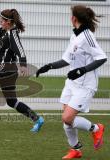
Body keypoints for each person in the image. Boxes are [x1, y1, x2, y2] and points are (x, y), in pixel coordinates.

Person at [36, 5, 107, 159]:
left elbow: (102, 57)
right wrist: (48, 66)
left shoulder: (87, 36)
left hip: (85, 85)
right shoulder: (74, 36)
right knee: (68, 120)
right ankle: (75, 149)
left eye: (71, 15)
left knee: (67, 118)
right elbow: (67, 59)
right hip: (72, 83)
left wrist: (82, 70)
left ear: (74, 18)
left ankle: (96, 128)